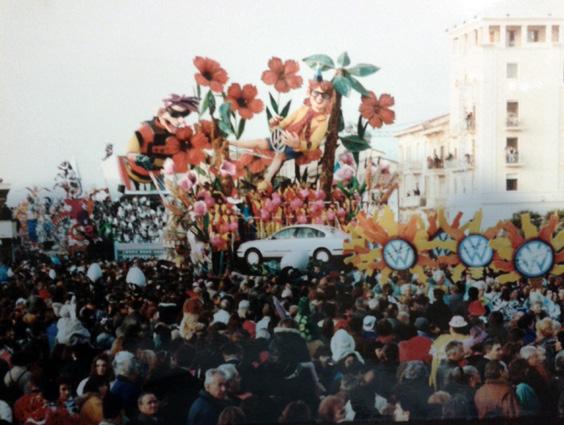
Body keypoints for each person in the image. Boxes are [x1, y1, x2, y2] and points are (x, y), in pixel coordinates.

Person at [230, 79, 334, 190]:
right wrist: (274, 125)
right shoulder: (302, 110)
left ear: (329, 100)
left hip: (296, 146)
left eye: (325, 96)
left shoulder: (323, 122)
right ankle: (231, 142)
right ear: (310, 92)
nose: (319, 98)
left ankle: (266, 180)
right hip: (283, 136)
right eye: (316, 93)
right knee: (260, 143)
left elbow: (313, 144)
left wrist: (298, 143)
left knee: (279, 154)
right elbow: (284, 123)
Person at [125, 95, 199, 187]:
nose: (180, 120)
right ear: (161, 112)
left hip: (159, 181)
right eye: (175, 114)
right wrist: (139, 158)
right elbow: (129, 153)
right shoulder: (144, 132)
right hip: (134, 179)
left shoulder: (178, 137)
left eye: (184, 115)